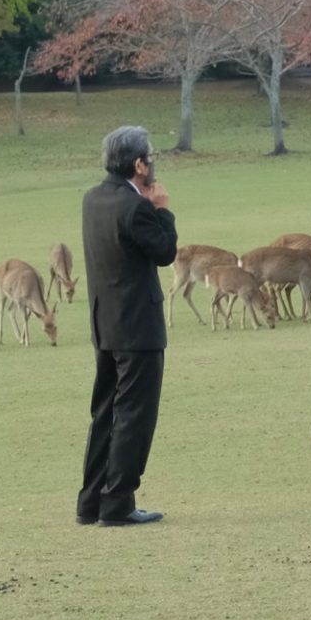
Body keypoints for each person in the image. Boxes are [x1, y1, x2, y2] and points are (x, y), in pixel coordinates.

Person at [77, 125, 179, 528]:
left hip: (105, 325)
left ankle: (91, 502)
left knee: (104, 413)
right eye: (150, 158)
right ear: (138, 164)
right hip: (139, 328)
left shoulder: (92, 199)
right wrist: (163, 209)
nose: (153, 165)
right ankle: (118, 502)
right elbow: (165, 252)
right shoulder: (136, 208)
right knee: (135, 415)